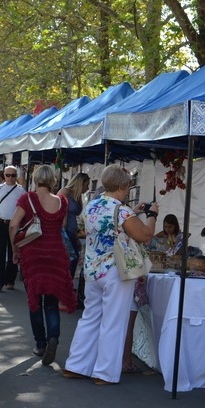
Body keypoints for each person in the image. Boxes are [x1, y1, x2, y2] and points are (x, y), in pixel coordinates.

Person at [63, 165, 158, 385]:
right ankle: (104, 372)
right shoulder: (122, 210)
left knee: (90, 317)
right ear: (124, 186)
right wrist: (152, 215)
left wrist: (136, 212)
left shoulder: (93, 206)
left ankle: (76, 364)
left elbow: (108, 225)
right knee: (114, 321)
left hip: (93, 268)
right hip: (116, 270)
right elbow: (145, 234)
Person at [10, 165, 77, 366]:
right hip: (56, 253)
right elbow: (62, 226)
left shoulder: (27, 199)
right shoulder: (62, 201)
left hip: (33, 254)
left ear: (36, 178)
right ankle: (53, 337)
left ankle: (40, 344)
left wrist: (15, 248)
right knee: (51, 301)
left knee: (34, 300)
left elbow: (14, 224)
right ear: (53, 180)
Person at [0, 165, 25, 291]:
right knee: (0, 252)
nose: (10, 178)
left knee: (13, 250)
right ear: (3, 175)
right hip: (0, 222)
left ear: (16, 176)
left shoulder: (21, 190)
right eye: (8, 175)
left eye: (13, 175)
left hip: (14, 224)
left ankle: (10, 280)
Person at [57, 172, 90, 279]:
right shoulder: (65, 192)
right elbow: (61, 212)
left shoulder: (77, 196)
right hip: (65, 232)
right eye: (86, 185)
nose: (88, 188)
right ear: (80, 183)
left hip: (72, 233)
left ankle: (67, 286)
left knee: (73, 261)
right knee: (70, 261)